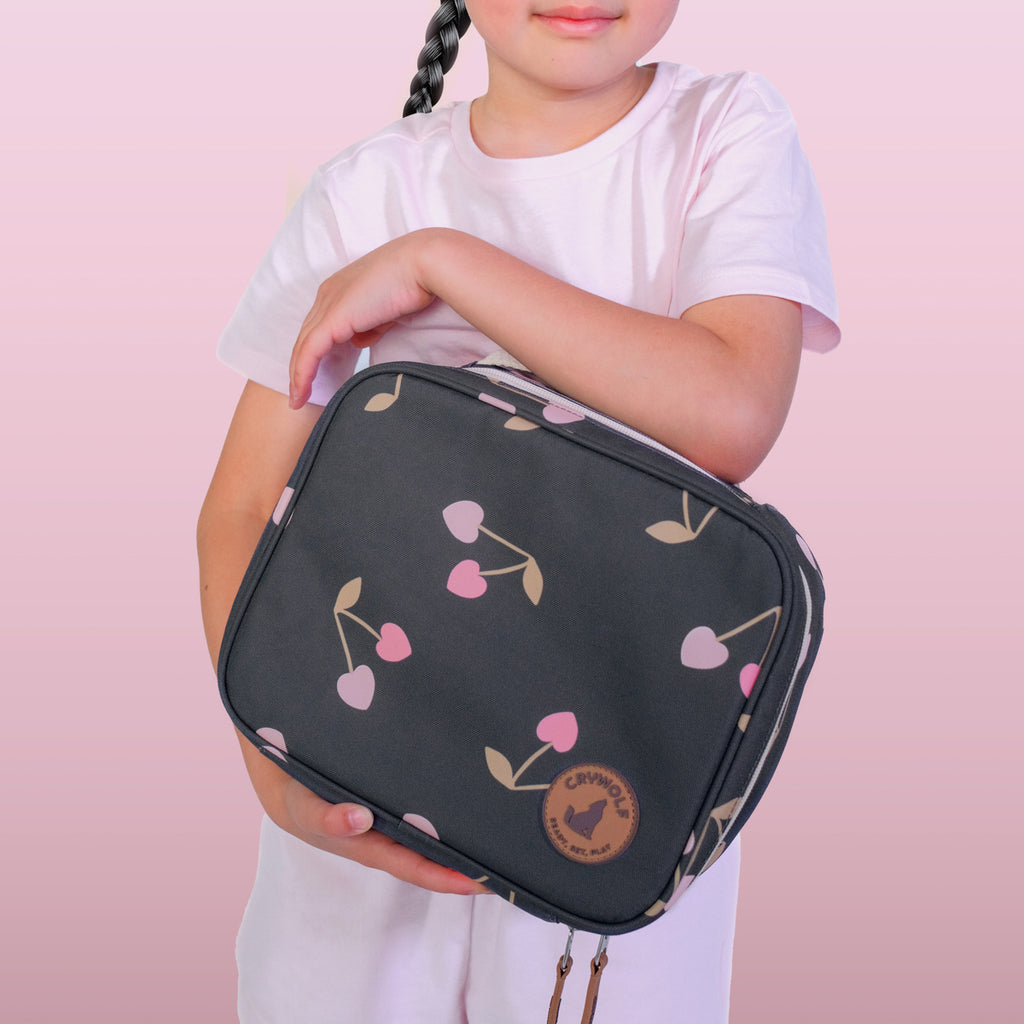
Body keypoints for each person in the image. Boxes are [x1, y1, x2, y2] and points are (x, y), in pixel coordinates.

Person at [198, 1, 840, 1020]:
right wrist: (271, 774)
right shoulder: (367, 186)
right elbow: (238, 506)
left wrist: (438, 262)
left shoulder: (724, 131)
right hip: (358, 815)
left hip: (609, 820)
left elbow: (730, 411)